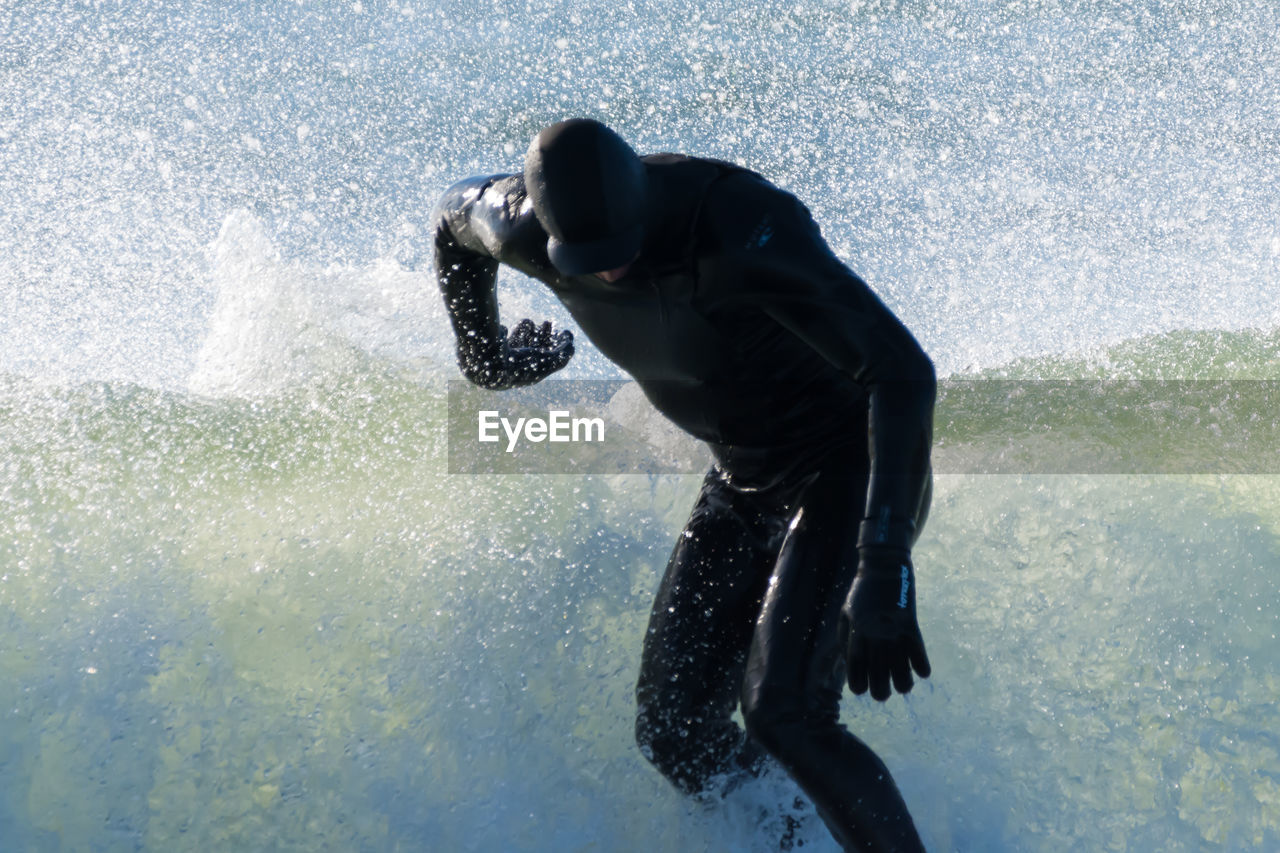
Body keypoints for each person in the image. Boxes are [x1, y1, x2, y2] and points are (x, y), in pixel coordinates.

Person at [430, 117, 935, 852]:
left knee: (783, 710)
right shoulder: (515, 224)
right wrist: (484, 358)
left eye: (623, 249)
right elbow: (451, 222)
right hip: (743, 474)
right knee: (674, 732)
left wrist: (886, 556)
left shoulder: (740, 225)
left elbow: (902, 371)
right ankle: (800, 840)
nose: (610, 272)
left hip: (845, 465)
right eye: (589, 259)